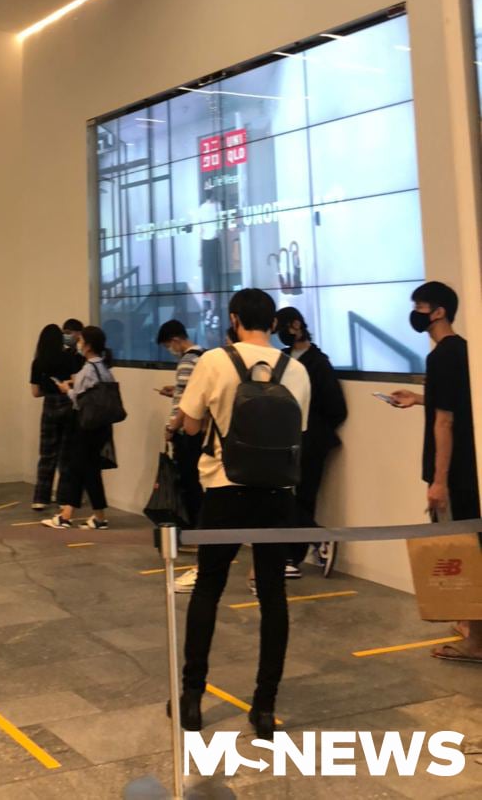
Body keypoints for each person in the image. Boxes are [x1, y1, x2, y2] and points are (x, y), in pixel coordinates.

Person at [175, 288, 310, 735]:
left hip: (224, 489)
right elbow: (298, 432)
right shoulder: (296, 370)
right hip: (277, 493)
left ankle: (192, 700)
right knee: (273, 595)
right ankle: (264, 707)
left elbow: (190, 424)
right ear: (272, 324)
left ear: (234, 320)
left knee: (208, 588)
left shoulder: (214, 361)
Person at [390, 281, 482, 663]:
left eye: (421, 307)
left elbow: (445, 422)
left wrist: (439, 480)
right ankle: (470, 625)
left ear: (439, 311)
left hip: (455, 471)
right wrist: (418, 399)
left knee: (465, 550)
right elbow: (455, 402)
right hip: (471, 468)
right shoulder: (464, 351)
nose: (416, 313)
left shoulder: (442, 356)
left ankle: (476, 640)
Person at [276, 307, 347, 579]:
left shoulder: (318, 363)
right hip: (284, 437)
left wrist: (314, 427)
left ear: (296, 325)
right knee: (283, 496)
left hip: (310, 440)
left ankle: (294, 556)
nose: (280, 333)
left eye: (283, 327)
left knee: (304, 496)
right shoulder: (281, 359)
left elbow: (336, 408)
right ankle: (313, 541)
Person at [41, 325, 116, 530]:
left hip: (85, 425)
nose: (78, 344)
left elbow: (79, 401)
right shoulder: (104, 368)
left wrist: (66, 389)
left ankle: (67, 516)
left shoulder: (88, 370)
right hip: (102, 426)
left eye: (81, 340)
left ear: (88, 346)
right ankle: (94, 516)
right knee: (87, 470)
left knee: (79, 468)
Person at [157, 319, 206, 592]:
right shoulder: (203, 357)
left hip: (187, 432)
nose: (170, 350)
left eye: (168, 345)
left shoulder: (188, 360)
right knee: (195, 484)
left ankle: (195, 535)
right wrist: (173, 392)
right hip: (199, 431)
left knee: (189, 485)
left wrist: (171, 427)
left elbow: (187, 402)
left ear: (176, 339)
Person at [30, 322, 82, 510]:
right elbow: (76, 382)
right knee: (66, 455)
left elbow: (35, 392)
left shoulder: (38, 362)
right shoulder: (68, 357)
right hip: (68, 405)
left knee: (46, 454)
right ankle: (63, 499)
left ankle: (40, 498)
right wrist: (64, 385)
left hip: (49, 407)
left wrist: (49, 389)